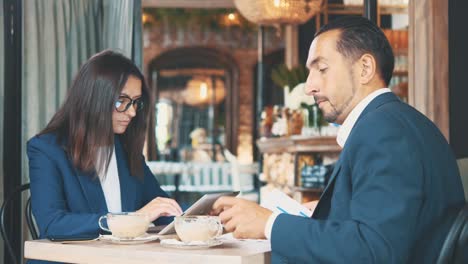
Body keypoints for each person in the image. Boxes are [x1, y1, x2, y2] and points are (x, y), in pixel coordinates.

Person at [212, 17, 465, 263]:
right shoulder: (400, 121)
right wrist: (324, 213)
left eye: (322, 69)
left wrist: (269, 224)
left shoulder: (383, 132)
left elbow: (373, 250)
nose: (308, 87)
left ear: (365, 68)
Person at [27, 51, 182, 247]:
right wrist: (134, 218)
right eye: (121, 101)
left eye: (135, 102)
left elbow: (162, 208)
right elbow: (52, 224)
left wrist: (205, 217)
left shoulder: (124, 150)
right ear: (94, 99)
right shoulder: (46, 149)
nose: (132, 112)